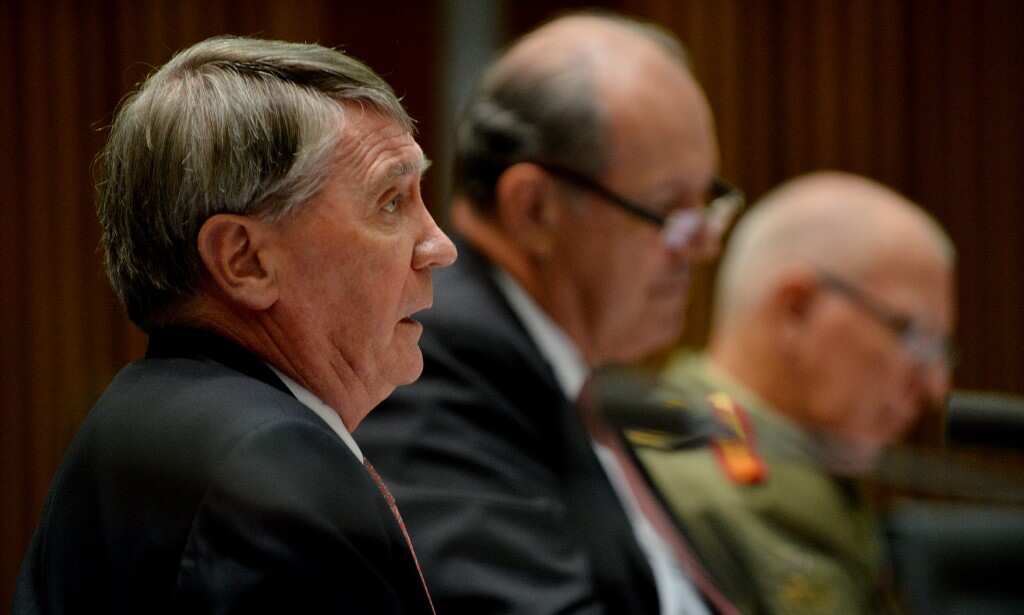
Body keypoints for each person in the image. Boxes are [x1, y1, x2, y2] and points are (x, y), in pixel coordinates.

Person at [13, 36, 456, 614]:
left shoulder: (145, 416)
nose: (439, 246)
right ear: (244, 260)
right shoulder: (272, 469)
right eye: (391, 201)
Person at [356, 13, 742, 615]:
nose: (702, 248)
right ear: (535, 209)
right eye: (670, 213)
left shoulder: (558, 365)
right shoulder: (430, 366)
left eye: (708, 206)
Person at [632, 172, 955, 614]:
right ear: (796, 310)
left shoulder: (805, 469)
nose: (935, 386)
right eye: (913, 336)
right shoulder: (687, 491)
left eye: (941, 350)